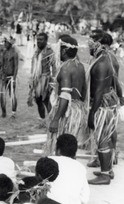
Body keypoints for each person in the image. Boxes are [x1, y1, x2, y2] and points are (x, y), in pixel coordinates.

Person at [87, 30, 124, 185]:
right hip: (108, 103)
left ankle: (104, 176)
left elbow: (99, 91)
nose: (89, 42)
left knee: (103, 137)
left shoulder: (104, 62)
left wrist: (92, 113)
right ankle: (107, 170)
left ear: (100, 43)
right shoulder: (104, 58)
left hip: (103, 105)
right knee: (106, 136)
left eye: (92, 39)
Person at [47, 36, 87, 154]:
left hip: (66, 113)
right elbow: (83, 91)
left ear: (64, 50)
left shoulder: (65, 68)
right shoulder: (79, 65)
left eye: (59, 49)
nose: (57, 52)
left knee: (61, 147)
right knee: (69, 147)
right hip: (77, 110)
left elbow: (65, 95)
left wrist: (55, 119)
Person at [48, 134, 90, 204]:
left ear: (58, 150)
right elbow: (85, 198)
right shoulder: (80, 168)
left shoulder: (48, 161)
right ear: (75, 153)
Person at [28, 33, 56, 124]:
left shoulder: (49, 52)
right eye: (37, 39)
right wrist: (31, 79)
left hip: (45, 80)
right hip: (36, 80)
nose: (39, 41)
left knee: (46, 100)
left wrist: (53, 81)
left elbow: (54, 67)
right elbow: (33, 66)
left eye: (41, 39)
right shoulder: (36, 51)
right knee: (38, 100)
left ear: (46, 41)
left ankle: (52, 119)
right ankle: (42, 120)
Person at [0, 36, 18, 118]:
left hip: (11, 77)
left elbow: (16, 66)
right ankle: (3, 112)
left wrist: (14, 77)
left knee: (12, 94)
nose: (5, 44)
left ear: (10, 44)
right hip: (4, 76)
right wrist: (1, 75)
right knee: (2, 95)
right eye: (4, 42)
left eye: (6, 43)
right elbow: (2, 65)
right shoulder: (4, 53)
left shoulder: (14, 53)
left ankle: (13, 113)